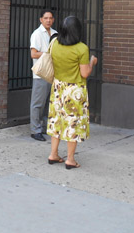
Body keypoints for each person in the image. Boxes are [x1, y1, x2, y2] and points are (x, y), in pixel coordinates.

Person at [47, 15, 97, 169]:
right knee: (72, 123)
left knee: (57, 120)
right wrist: (92, 62)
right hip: (74, 90)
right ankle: (70, 159)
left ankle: (53, 154)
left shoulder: (55, 43)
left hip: (57, 88)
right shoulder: (82, 48)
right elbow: (85, 73)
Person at [29, 10, 58, 141]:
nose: (48, 20)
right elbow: (33, 54)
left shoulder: (56, 34)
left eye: (50, 18)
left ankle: (45, 127)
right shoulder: (36, 34)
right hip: (41, 74)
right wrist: (49, 53)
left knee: (49, 103)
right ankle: (35, 130)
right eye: (45, 18)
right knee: (38, 103)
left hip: (53, 73)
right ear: (41, 19)